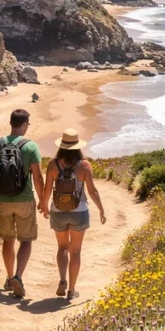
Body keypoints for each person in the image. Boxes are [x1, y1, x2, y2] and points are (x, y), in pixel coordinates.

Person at [0, 109, 46, 299]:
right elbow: (38, 177)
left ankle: (9, 278)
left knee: (8, 240)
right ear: (24, 124)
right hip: (24, 200)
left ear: (10, 123)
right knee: (25, 240)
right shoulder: (30, 146)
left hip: (2, 200)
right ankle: (18, 276)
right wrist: (42, 200)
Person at [42, 128, 106, 301]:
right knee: (75, 250)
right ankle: (71, 290)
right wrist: (101, 209)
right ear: (78, 146)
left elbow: (47, 189)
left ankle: (62, 278)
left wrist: (44, 205)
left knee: (62, 247)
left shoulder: (53, 164)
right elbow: (92, 191)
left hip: (58, 211)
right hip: (79, 212)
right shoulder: (84, 165)